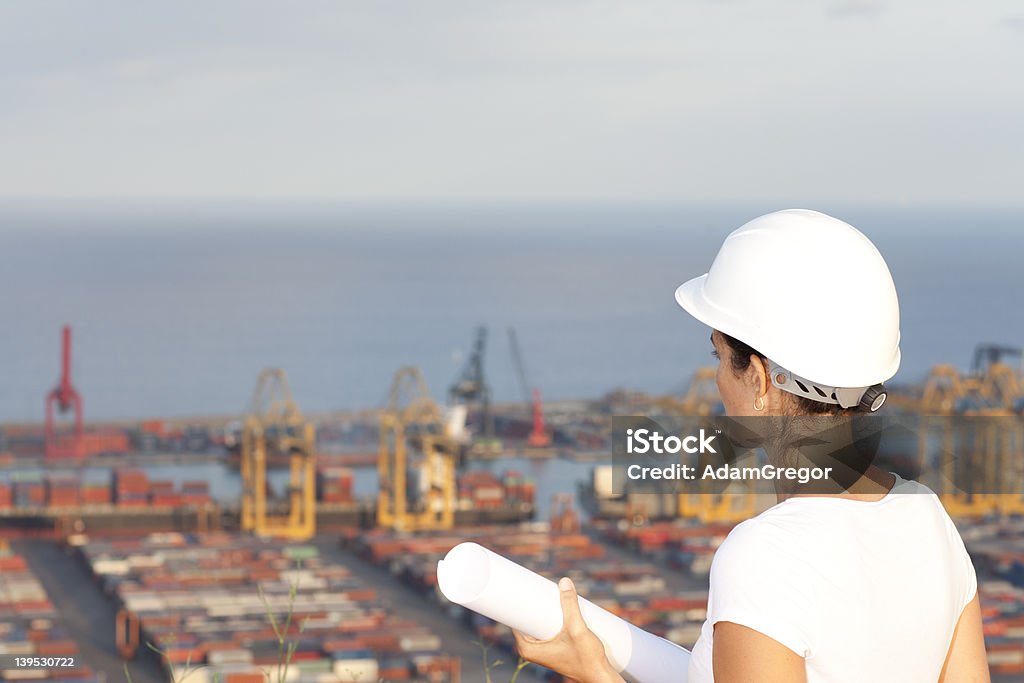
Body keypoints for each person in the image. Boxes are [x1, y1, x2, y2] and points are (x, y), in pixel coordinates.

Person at [513, 210, 990, 682]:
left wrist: (592, 671)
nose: (716, 379)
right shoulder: (929, 517)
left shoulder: (765, 555)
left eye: (718, 357)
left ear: (760, 379)